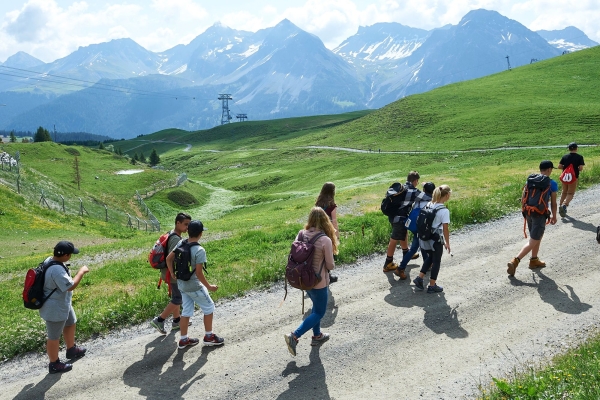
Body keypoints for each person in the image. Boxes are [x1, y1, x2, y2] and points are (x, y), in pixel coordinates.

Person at [284, 207, 337, 356]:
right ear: (325, 221)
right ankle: (294, 336)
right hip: (319, 281)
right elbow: (330, 265)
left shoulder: (300, 234)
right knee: (319, 312)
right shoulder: (325, 239)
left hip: (303, 279)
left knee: (315, 307)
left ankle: (317, 335)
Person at [166, 220, 224, 348]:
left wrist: (172, 273)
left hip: (181, 284)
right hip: (194, 286)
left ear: (188, 231)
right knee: (209, 307)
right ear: (201, 234)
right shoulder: (199, 250)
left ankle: (183, 339)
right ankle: (209, 336)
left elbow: (168, 258)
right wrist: (209, 287)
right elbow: (198, 273)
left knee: (186, 311)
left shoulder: (182, 242)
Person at [40, 241, 90, 373]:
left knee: (71, 322)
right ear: (66, 255)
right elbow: (70, 286)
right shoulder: (56, 270)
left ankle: (71, 349)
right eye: (71, 254)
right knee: (53, 336)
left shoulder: (50, 260)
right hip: (54, 308)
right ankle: (54, 364)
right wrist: (81, 272)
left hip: (62, 304)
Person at [507, 160, 558, 276]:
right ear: (549, 169)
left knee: (536, 236)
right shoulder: (552, 183)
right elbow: (554, 203)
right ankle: (515, 261)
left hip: (528, 212)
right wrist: (554, 216)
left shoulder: (530, 180)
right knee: (533, 240)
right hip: (540, 214)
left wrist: (524, 210)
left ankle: (534, 260)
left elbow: (523, 196)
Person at [150, 212, 192, 335]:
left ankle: (176, 321)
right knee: (178, 298)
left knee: (176, 296)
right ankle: (159, 320)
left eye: (189, 225)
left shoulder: (171, 233)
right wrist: (174, 273)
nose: (187, 228)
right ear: (177, 223)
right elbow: (172, 257)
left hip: (167, 272)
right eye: (185, 224)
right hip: (172, 273)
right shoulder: (175, 239)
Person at [383, 171, 426, 273]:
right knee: (394, 239)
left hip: (393, 216)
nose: (417, 183)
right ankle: (388, 263)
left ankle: (406, 253)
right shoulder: (412, 191)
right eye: (417, 181)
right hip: (400, 218)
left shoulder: (402, 187)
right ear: (415, 181)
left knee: (403, 233)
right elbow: (427, 197)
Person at [412, 185, 452, 293]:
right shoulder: (444, 211)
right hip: (435, 240)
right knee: (436, 261)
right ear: (447, 195)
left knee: (430, 257)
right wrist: (447, 243)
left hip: (424, 238)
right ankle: (432, 285)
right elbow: (445, 229)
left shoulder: (429, 204)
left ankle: (419, 278)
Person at [394, 182, 435, 280]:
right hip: (421, 228)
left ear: (424, 190)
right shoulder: (431, 202)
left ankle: (427, 263)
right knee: (414, 248)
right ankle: (401, 268)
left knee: (422, 245)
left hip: (412, 225)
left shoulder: (419, 199)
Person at [315, 182, 340, 283]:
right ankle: (328, 277)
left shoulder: (318, 203)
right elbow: (334, 221)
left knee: (321, 253)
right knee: (329, 253)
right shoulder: (332, 205)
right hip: (328, 231)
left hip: (318, 230)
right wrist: (337, 234)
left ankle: (321, 274)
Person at [558, 142, 585, 217]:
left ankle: (560, 205)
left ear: (569, 149)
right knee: (570, 193)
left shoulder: (565, 157)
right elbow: (580, 168)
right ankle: (564, 205)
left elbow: (559, 166)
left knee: (564, 192)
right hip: (573, 177)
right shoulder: (579, 157)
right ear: (576, 149)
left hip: (565, 177)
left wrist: (566, 168)